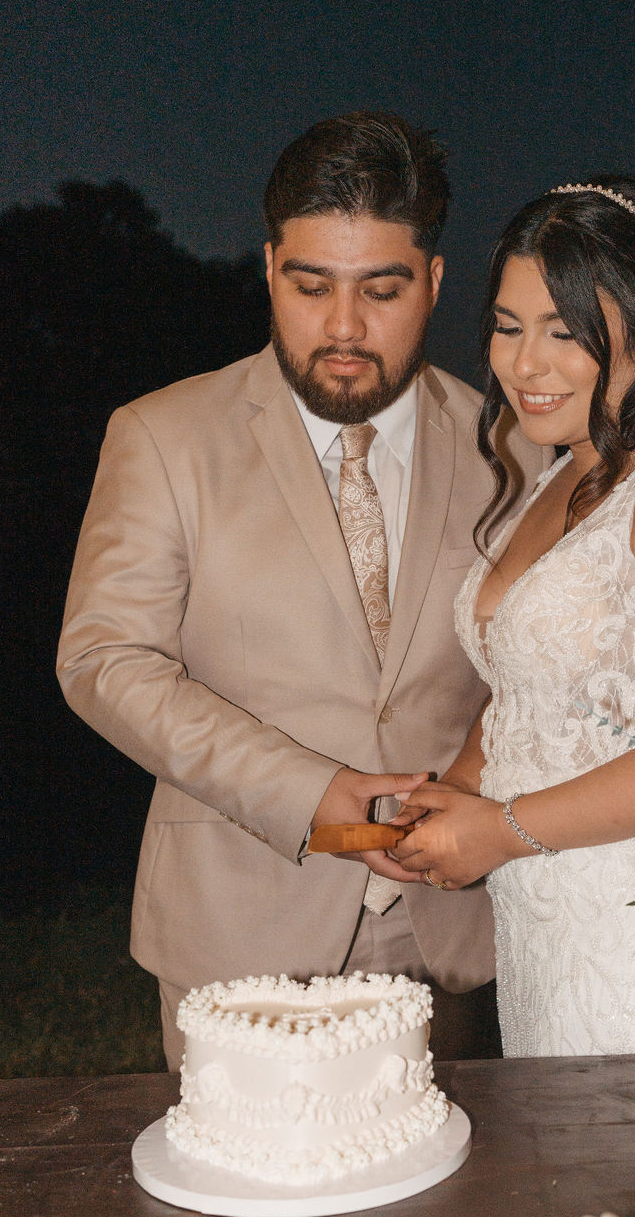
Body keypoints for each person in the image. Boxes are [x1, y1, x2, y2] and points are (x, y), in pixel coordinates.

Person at [57, 112, 546, 1069]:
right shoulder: (162, 436)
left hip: (454, 934)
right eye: (310, 285)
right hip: (235, 925)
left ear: (435, 283)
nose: (344, 328)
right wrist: (315, 793)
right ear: (269, 266)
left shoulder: (517, 453)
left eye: (383, 290)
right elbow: (102, 660)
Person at [389, 177, 635, 1056]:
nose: (522, 365)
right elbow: (525, 693)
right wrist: (451, 792)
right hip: (544, 926)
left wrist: (499, 828)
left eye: (564, 334)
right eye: (506, 325)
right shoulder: (555, 474)